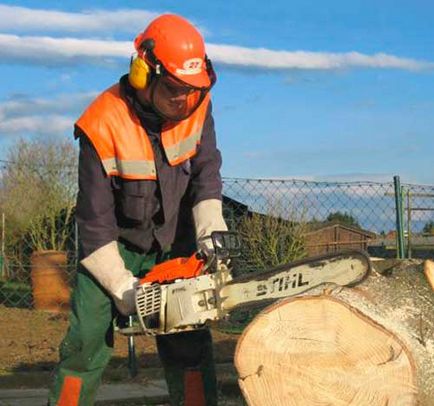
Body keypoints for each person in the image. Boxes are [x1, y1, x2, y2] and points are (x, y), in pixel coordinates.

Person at [48, 13, 227, 406]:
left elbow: (206, 174)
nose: (183, 100)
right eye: (174, 89)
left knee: (189, 344)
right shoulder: (102, 123)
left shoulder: (196, 106)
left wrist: (209, 229)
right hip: (114, 248)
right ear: (144, 73)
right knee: (85, 343)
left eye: (191, 90)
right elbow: (94, 226)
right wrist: (124, 289)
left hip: (175, 241)